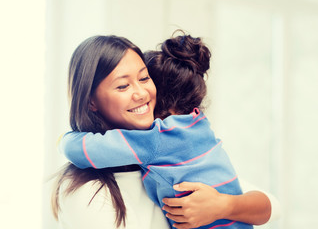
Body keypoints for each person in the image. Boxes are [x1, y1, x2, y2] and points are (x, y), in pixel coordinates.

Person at [51, 34, 274, 229]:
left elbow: (271, 205)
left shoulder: (157, 143)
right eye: (122, 86)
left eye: (144, 78)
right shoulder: (196, 125)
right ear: (91, 102)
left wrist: (223, 205)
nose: (141, 93)